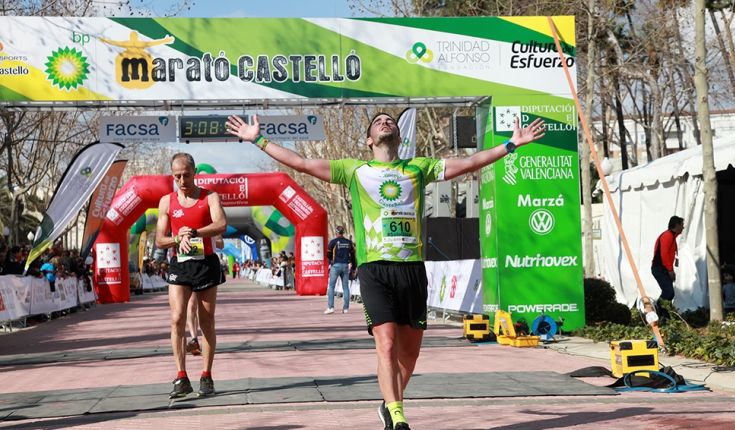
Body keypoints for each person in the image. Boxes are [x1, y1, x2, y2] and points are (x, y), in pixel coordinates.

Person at [227, 112, 545, 430]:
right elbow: (302, 164)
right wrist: (258, 139)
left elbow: (470, 163)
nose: (385, 122)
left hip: (411, 269)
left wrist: (511, 145)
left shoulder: (419, 169)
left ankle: (388, 403)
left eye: (389, 120)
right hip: (374, 269)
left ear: (398, 136)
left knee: (409, 354)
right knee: (387, 343)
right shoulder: (354, 170)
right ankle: (398, 415)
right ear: (369, 139)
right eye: (378, 121)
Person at [156, 153, 226, 399]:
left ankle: (206, 375)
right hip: (180, 264)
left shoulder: (210, 197)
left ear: (195, 172)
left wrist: (194, 232)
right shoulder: (167, 201)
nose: (182, 180)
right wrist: (178, 238)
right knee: (176, 318)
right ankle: (181, 376)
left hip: (206, 263)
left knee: (206, 320)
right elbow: (160, 240)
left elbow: (221, 224)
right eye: (177, 176)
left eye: (186, 175)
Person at [187, 235, 225, 357]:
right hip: (188, 265)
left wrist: (205, 238)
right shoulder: (183, 225)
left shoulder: (211, 222)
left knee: (207, 313)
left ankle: (207, 341)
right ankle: (194, 339)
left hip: (206, 266)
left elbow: (220, 243)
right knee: (191, 305)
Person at [651, 216, 684, 320]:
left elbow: (669, 256)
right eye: (682, 225)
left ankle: (664, 316)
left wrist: (671, 270)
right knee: (669, 292)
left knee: (668, 293)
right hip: (659, 268)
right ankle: (657, 308)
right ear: (677, 225)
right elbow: (664, 255)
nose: (683, 227)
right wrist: (670, 270)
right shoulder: (667, 236)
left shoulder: (671, 237)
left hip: (664, 268)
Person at [325, 225, 355, 315]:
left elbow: (328, 254)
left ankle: (330, 307)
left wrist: (331, 261)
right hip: (345, 265)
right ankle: (346, 309)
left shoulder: (333, 242)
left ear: (336, 232)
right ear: (343, 232)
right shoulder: (349, 242)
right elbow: (353, 256)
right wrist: (353, 268)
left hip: (336, 265)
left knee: (331, 287)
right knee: (345, 287)